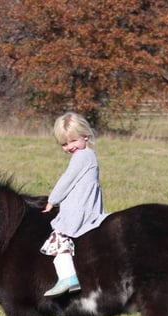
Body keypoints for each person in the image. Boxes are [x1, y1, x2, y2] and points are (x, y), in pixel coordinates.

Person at [40, 112, 109, 297]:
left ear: (85, 136)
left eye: (73, 141)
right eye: (64, 144)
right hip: (86, 204)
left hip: (79, 207)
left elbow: (67, 180)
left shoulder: (81, 157)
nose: (69, 147)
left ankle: (68, 277)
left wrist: (52, 200)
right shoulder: (89, 155)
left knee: (59, 238)